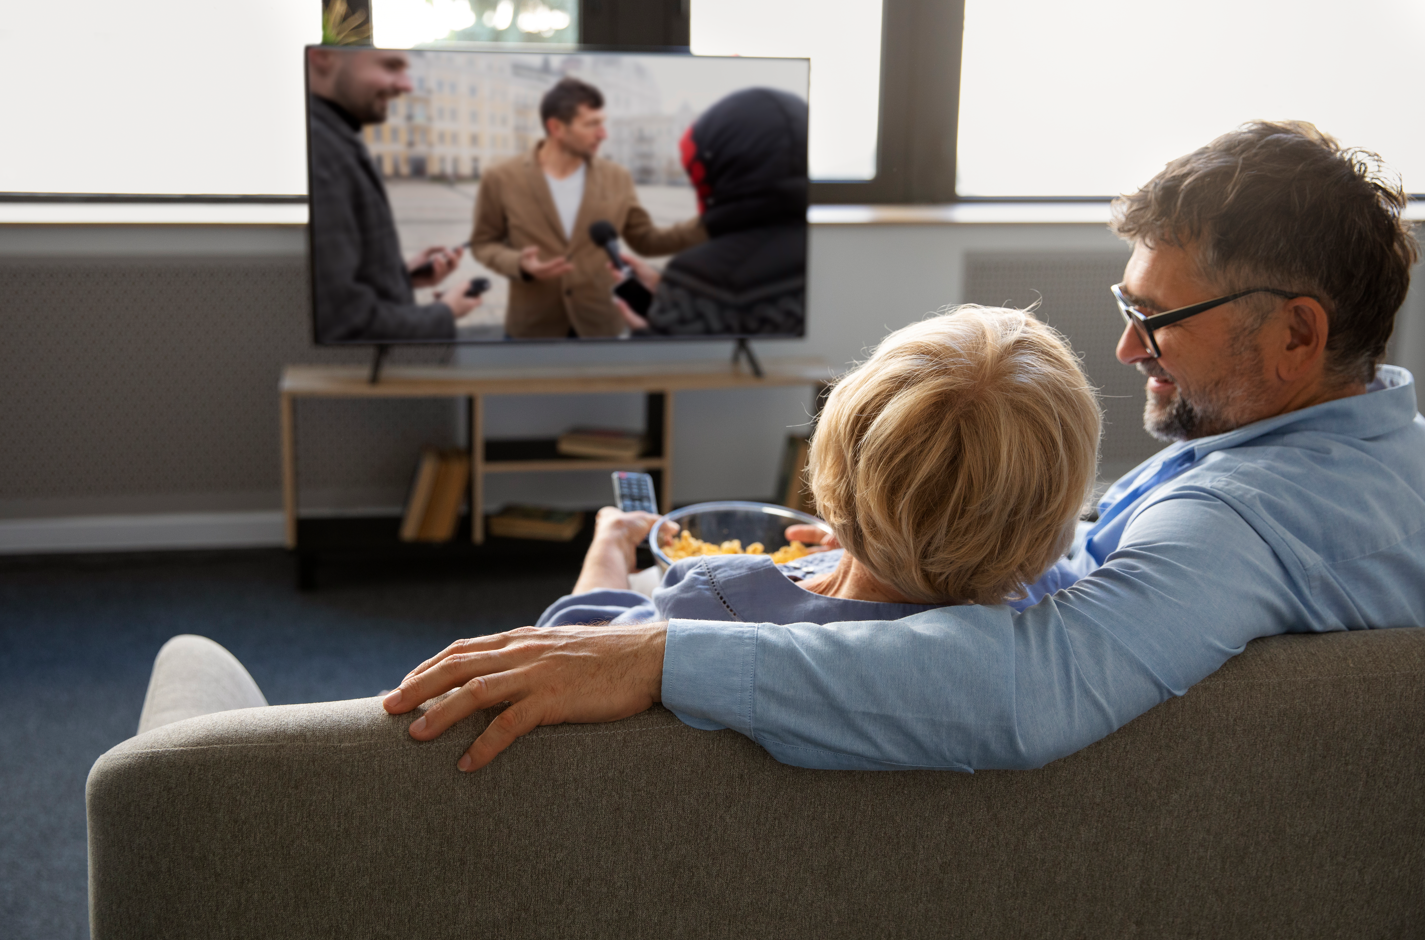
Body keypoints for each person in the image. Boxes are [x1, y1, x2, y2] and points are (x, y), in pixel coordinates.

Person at [378, 121, 1424, 774]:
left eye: (1158, 319)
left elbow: (1022, 689)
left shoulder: (1235, 524)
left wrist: (663, 650)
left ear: (1298, 333)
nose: (1123, 345)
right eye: (1126, 304)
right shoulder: (1378, 450)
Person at [537, 306, 1099, 633]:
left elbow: (570, 646)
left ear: (833, 468)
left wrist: (609, 547)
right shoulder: (1051, 606)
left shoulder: (713, 601)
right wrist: (892, 538)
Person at [470, 76, 706, 339]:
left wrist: (712, 222)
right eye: (592, 124)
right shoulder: (501, 177)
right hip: (534, 328)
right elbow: (483, 243)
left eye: (602, 123)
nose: (603, 133)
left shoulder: (618, 176)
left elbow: (646, 240)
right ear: (556, 128)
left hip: (600, 324)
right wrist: (519, 264)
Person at [307, 47, 483, 342]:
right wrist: (445, 311)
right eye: (390, 66)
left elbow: (338, 282)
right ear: (324, 56)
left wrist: (402, 276)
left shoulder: (334, 135)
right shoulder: (321, 150)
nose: (407, 85)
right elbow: (347, 322)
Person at [612, 88, 809, 337]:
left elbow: (674, 366)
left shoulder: (704, 277)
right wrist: (667, 290)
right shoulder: (840, 249)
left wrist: (652, 326)